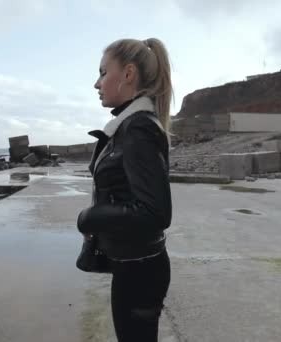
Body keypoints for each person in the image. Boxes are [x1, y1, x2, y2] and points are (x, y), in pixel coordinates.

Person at [77, 38, 173, 342]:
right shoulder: (129, 126)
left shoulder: (138, 129)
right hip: (136, 263)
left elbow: (155, 212)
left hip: (140, 269)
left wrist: (90, 217)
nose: (97, 83)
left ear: (128, 74)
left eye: (104, 72)